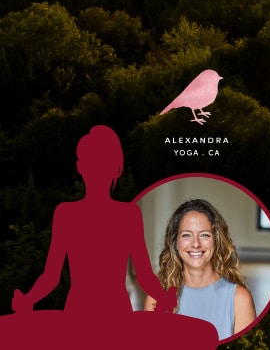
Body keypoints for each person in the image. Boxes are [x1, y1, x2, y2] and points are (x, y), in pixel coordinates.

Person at [1, 125, 217, 349]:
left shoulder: (69, 214)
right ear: (116, 169)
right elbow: (143, 275)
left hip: (88, 317)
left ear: (80, 167)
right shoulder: (124, 215)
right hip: (108, 319)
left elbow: (51, 277)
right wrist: (163, 298)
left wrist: (27, 300)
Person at [145, 199, 257, 340]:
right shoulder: (156, 298)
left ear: (216, 240)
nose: (196, 244)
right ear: (175, 242)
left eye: (205, 235)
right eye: (186, 235)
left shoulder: (239, 299)